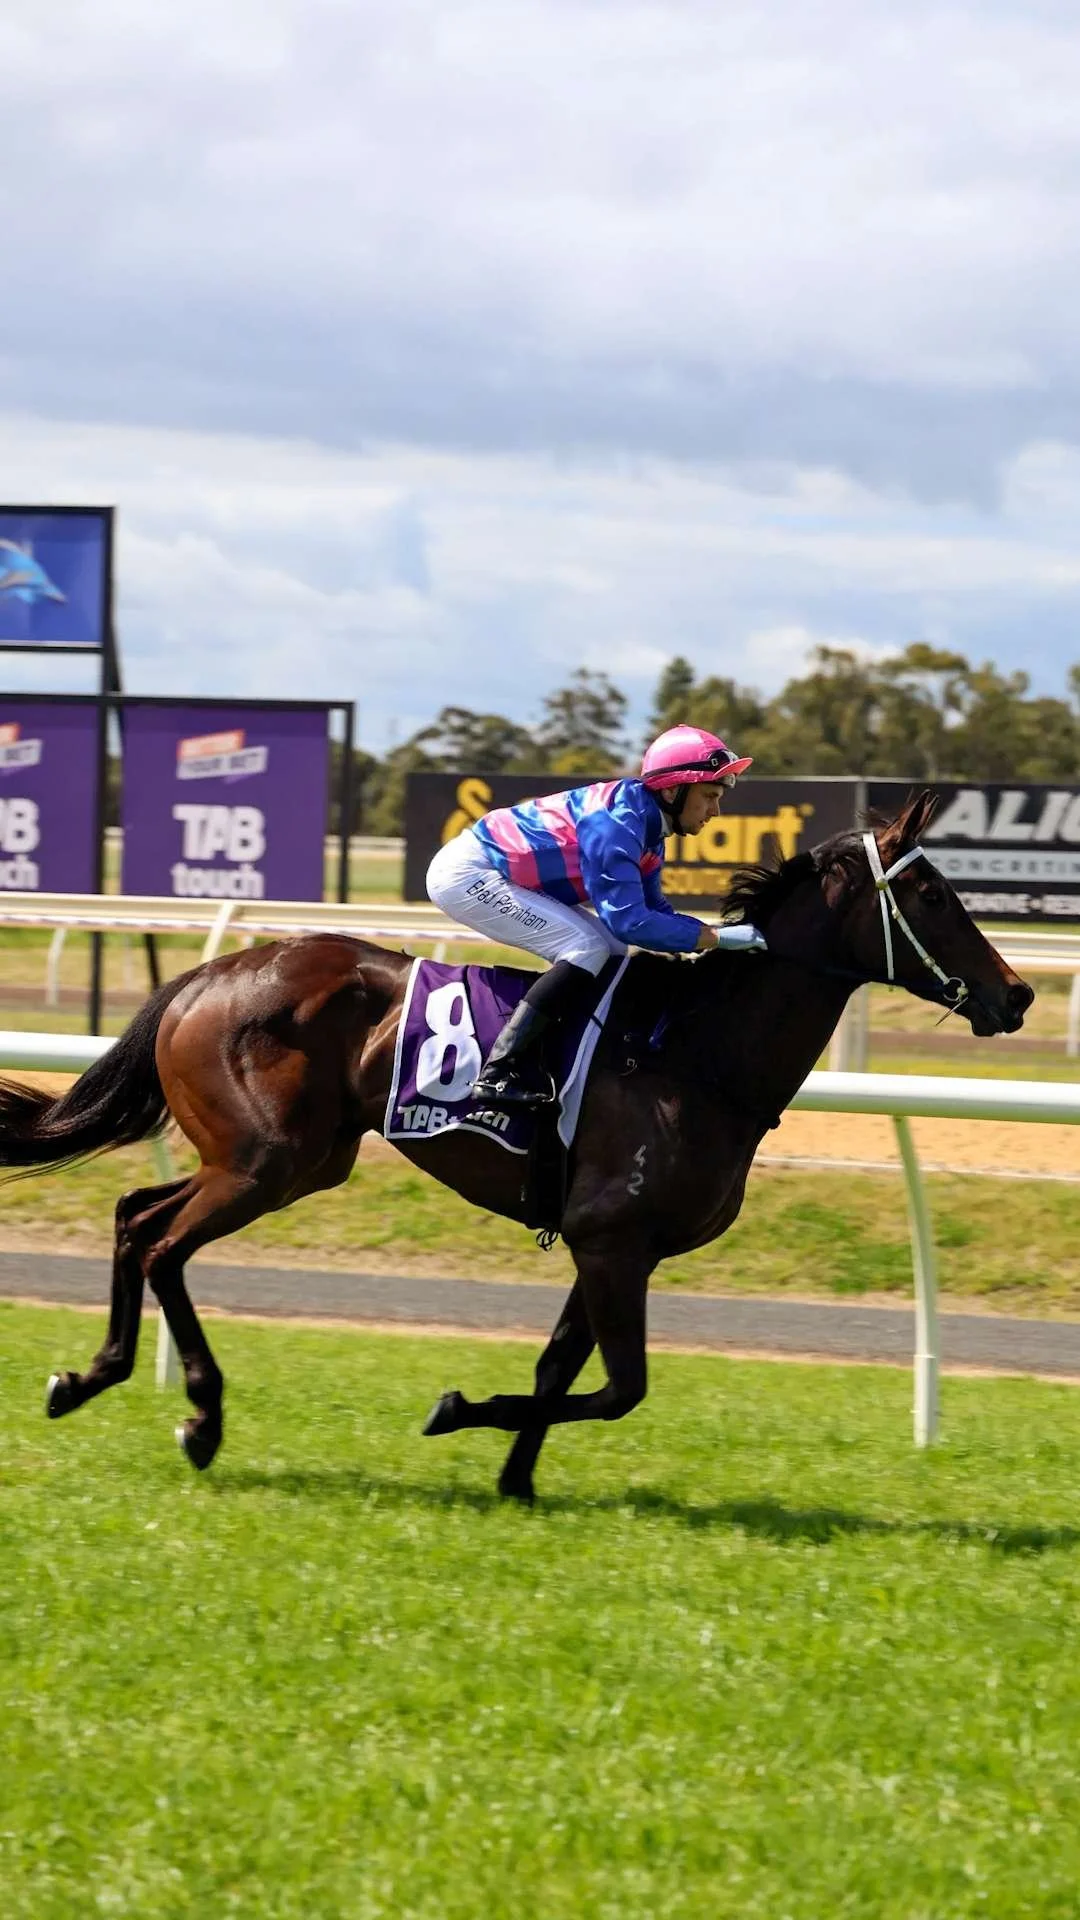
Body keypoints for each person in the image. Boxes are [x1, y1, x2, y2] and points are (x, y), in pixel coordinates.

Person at [426, 724, 768, 1106]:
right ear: (673, 790)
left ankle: (578, 1053)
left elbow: (653, 912)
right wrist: (717, 937)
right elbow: (631, 922)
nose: (715, 811)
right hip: (469, 874)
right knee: (585, 946)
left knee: (614, 950)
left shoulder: (649, 826)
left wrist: (713, 935)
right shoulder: (617, 824)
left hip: (501, 873)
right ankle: (499, 1072)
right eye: (708, 796)